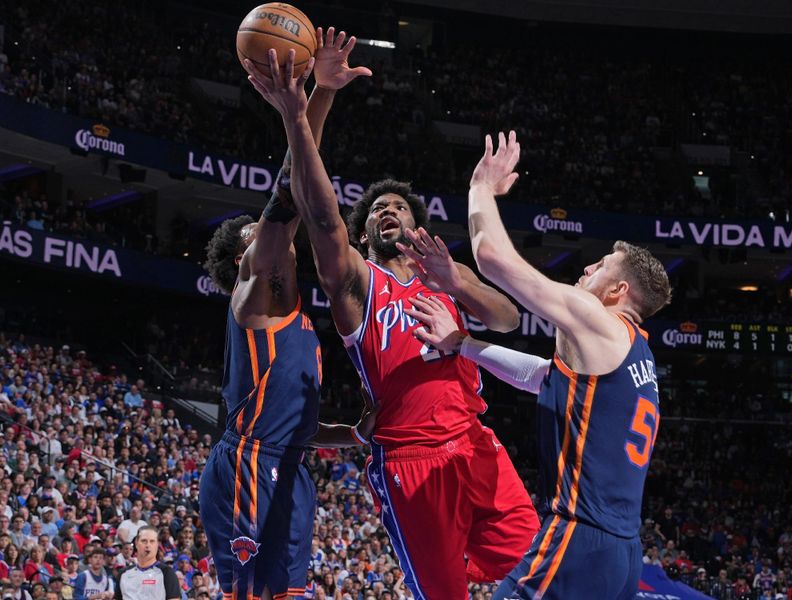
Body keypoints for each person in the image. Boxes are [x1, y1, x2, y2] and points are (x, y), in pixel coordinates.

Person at [245, 46, 540, 599]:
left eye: (398, 207)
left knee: (536, 560)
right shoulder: (359, 286)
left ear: (415, 222)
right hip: (411, 460)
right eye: (377, 208)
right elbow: (321, 215)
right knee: (443, 591)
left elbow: (507, 318)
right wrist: (311, 102)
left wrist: (457, 283)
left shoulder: (444, 277)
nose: (387, 209)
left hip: (474, 443)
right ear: (365, 237)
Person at [412, 130, 670, 599]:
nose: (587, 270)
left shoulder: (597, 319)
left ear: (618, 293)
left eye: (601, 267)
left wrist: (480, 189)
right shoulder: (638, 355)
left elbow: (491, 258)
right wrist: (464, 344)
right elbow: (541, 377)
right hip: (624, 555)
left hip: (579, 538)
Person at [201, 29, 373, 600]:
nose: (268, 236)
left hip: (290, 464)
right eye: (255, 237)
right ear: (240, 259)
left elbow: (293, 427)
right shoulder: (254, 290)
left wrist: (348, 434)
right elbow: (288, 200)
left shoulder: (295, 313)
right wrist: (308, 106)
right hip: (249, 463)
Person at [115, 527, 179, 600]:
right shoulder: (123, 574)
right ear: (136, 543)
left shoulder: (167, 573)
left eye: (152, 541)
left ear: (157, 544)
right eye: (144, 541)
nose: (148, 545)